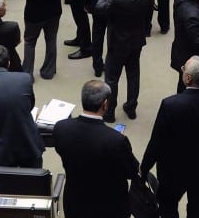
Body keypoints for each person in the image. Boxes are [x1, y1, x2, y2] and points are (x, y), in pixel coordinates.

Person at [142, 56, 199, 218]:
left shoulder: (170, 104)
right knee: (198, 209)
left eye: (183, 69)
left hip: (172, 171)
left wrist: (144, 167)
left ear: (188, 78)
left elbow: (157, 141)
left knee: (168, 207)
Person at [53, 80, 140, 218]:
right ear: (105, 104)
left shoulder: (61, 128)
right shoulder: (116, 141)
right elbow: (133, 171)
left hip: (75, 203)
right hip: (109, 207)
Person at [95, 0, 153, 121]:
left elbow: (99, 9)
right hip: (136, 41)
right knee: (133, 75)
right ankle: (131, 107)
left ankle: (109, 112)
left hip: (117, 43)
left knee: (112, 78)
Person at [0, 44, 44, 167]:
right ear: (9, 63)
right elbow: (30, 105)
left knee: (3, 185)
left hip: (0, 151)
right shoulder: (25, 79)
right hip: (28, 144)